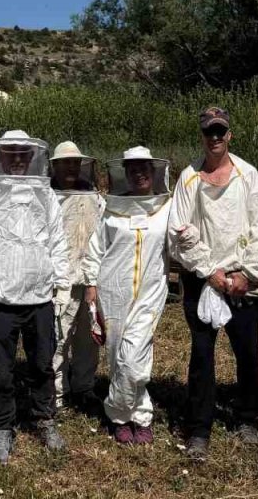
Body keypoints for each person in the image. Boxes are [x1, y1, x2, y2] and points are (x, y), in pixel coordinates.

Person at [0, 130, 70, 464]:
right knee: (1, 372)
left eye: (24, 153)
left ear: (33, 156)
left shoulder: (45, 194)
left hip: (39, 297)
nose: (18, 159)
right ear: (0, 157)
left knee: (42, 365)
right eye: (11, 154)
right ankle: (2, 428)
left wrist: (62, 284)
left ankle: (44, 419)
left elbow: (57, 241)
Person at [168, 107, 258, 459]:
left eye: (220, 131)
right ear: (202, 136)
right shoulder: (188, 178)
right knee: (202, 355)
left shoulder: (247, 174)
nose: (215, 138)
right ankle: (199, 428)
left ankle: (248, 419)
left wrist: (247, 274)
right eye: (209, 132)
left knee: (248, 352)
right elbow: (179, 232)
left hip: (242, 279)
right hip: (203, 280)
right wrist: (209, 271)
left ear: (229, 135)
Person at [81, 147, 173, 444]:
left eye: (144, 167)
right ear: (125, 173)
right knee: (117, 357)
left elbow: (177, 245)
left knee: (134, 358)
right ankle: (129, 418)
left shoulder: (167, 208)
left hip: (150, 291)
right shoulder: (112, 210)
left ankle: (125, 413)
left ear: (154, 171)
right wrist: (91, 286)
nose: (139, 173)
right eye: (133, 169)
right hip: (113, 291)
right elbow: (96, 249)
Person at [49, 141, 105, 410]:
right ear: (55, 166)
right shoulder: (48, 196)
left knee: (88, 338)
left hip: (91, 279)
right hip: (61, 281)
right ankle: (57, 393)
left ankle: (84, 387)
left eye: (75, 162)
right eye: (65, 163)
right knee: (59, 339)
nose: (71, 167)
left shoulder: (94, 195)